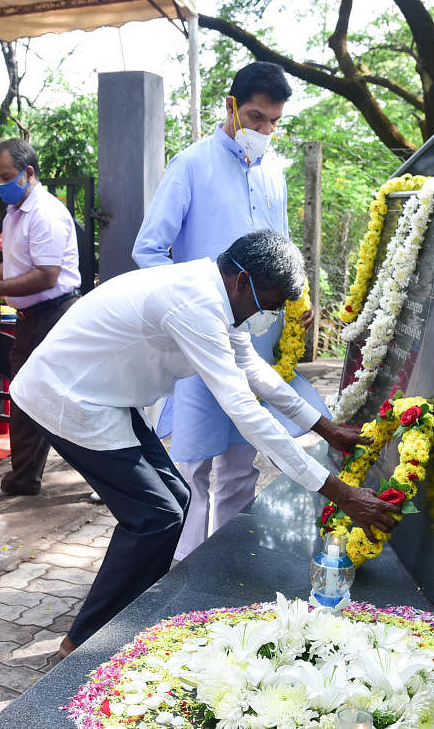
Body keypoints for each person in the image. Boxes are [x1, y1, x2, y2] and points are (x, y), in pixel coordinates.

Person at [12, 230, 401, 658]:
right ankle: (82, 644)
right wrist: (343, 494)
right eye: (268, 304)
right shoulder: (195, 302)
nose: (268, 316)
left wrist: (325, 427)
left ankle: (131, 617)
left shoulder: (217, 293)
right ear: (242, 281)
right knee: (153, 517)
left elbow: (253, 368)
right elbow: (244, 409)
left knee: (175, 499)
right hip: (68, 396)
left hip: (108, 395)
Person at [131, 62, 329, 560]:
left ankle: (228, 564)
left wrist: (299, 297)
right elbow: (148, 250)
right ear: (230, 106)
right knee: (192, 461)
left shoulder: (273, 173)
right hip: (201, 339)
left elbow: (281, 250)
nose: (264, 131)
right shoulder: (191, 165)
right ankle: (181, 572)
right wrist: (185, 312)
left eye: (273, 123)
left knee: (244, 459)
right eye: (256, 118)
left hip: (260, 339)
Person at [0, 138, 81, 497]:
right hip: (33, 316)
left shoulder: (44, 213)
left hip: (55, 313)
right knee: (28, 397)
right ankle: (23, 478)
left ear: (29, 173)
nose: (0, 185)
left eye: (6, 176)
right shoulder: (18, 213)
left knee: (67, 399)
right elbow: (14, 266)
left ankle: (106, 479)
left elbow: (46, 274)